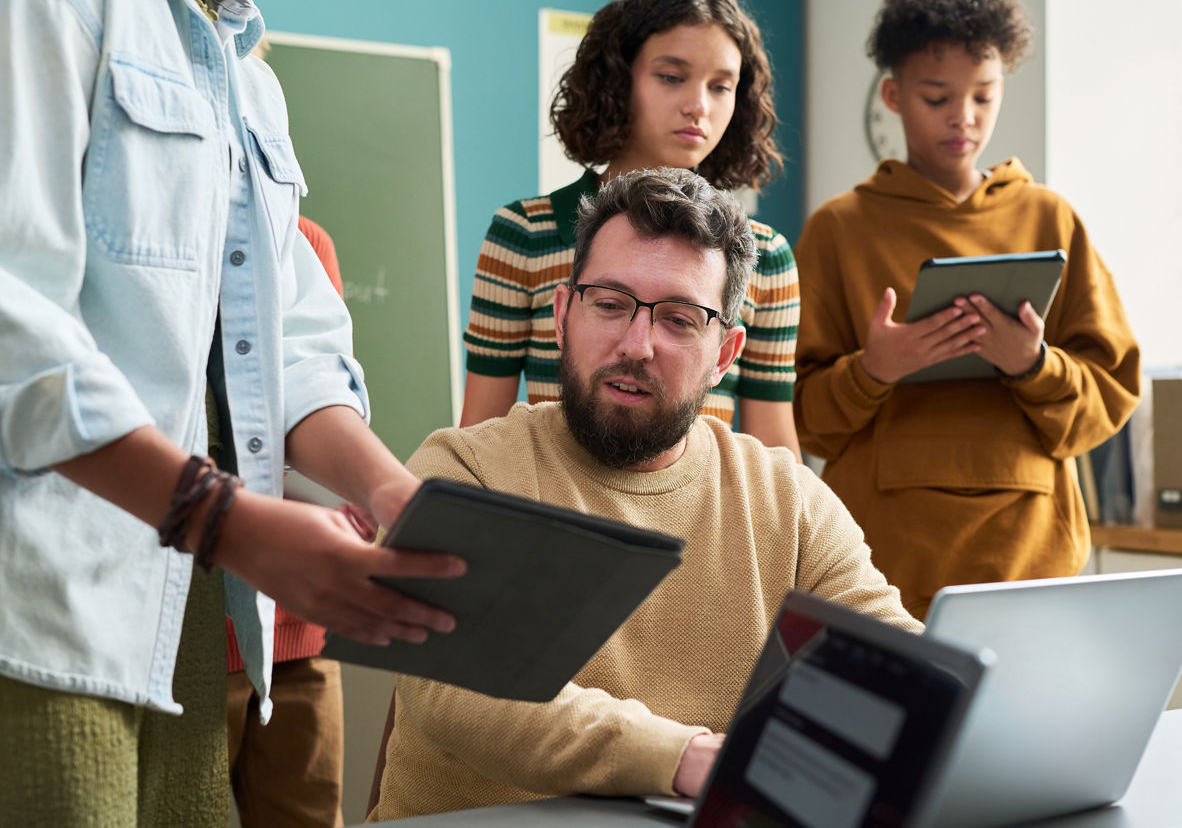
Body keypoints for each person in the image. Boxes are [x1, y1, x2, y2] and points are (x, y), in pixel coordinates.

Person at [0, 0, 463, 824]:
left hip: (182, 636)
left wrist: (391, 491)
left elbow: (291, 341)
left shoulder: (248, 80)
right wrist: (229, 523)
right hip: (22, 625)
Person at [369, 168, 919, 823]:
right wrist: (684, 757)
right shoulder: (464, 471)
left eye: (680, 320)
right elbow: (466, 686)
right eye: (609, 304)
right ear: (563, 315)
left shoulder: (788, 502)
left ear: (725, 355)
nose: (637, 346)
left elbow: (898, 665)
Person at [791, 0, 1140, 619]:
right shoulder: (840, 228)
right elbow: (799, 418)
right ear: (893, 96)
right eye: (936, 96)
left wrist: (1032, 364)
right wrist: (875, 371)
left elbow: (1107, 400)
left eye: (984, 95)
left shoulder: (1051, 219)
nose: (964, 117)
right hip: (882, 568)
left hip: (1031, 559)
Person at [461, 0, 801, 458]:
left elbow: (775, 451)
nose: (698, 106)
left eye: (721, 86)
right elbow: (478, 437)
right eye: (671, 77)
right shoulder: (525, 234)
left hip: (698, 525)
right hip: (550, 516)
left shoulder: (766, 255)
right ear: (618, 80)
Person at [224, 216, 348, 828]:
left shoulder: (305, 242)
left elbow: (316, 396)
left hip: (297, 630)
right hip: (181, 632)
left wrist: (375, 488)